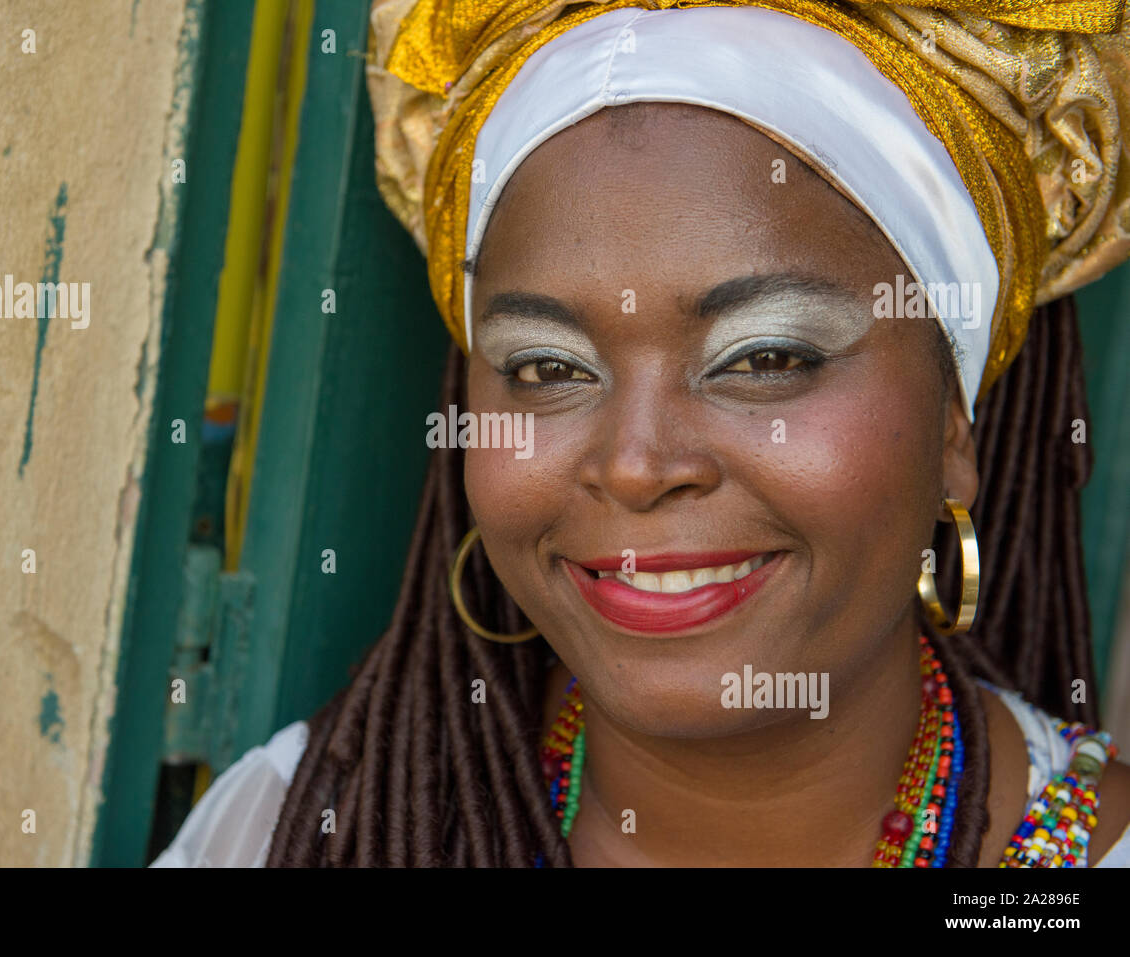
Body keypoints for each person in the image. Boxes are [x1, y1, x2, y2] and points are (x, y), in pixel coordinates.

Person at [153, 0, 1130, 867]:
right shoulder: (305, 829)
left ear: (954, 423)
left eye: (766, 358)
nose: (634, 465)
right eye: (547, 368)